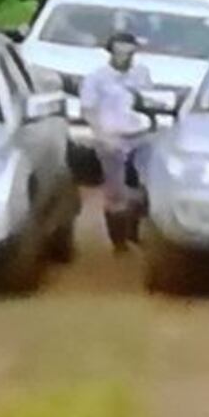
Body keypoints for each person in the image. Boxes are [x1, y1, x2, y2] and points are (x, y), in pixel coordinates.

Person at [79, 32, 153, 253]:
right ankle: (118, 242)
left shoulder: (142, 74)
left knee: (143, 188)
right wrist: (102, 135)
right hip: (112, 136)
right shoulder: (96, 78)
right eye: (120, 52)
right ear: (110, 52)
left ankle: (134, 230)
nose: (124, 57)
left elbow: (148, 102)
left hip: (140, 134)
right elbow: (88, 109)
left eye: (129, 52)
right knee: (115, 191)